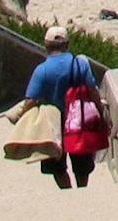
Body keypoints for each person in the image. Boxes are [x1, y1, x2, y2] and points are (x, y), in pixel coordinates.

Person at [23, 27, 100, 189]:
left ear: (46, 45)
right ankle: (82, 191)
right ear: (67, 44)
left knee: (56, 166)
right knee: (82, 164)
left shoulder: (41, 70)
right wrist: (101, 113)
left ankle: (67, 191)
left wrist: (22, 119)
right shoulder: (81, 64)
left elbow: (31, 100)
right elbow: (93, 92)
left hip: (53, 124)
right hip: (79, 121)